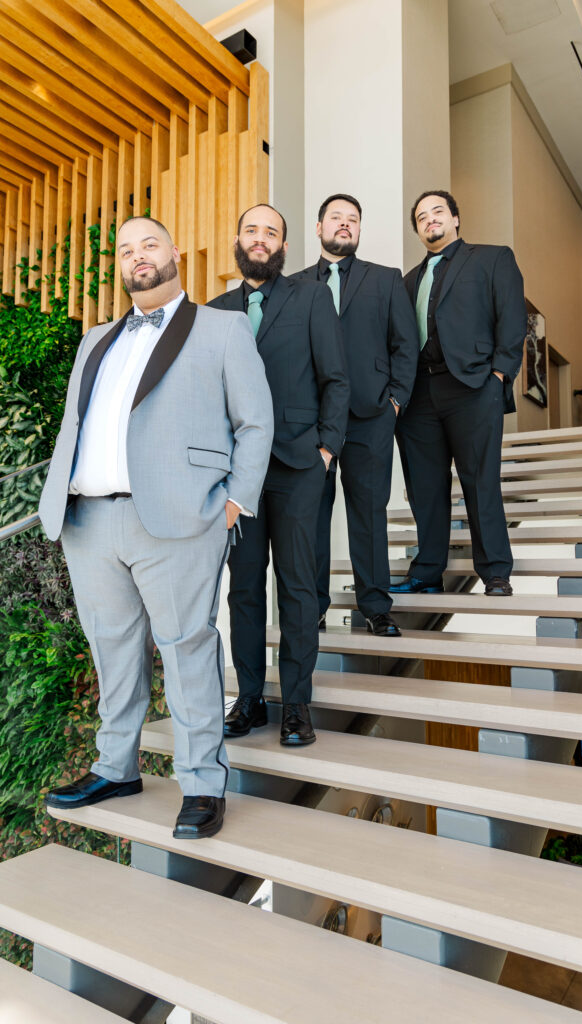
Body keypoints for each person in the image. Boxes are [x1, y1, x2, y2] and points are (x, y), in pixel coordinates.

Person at [40, 216, 273, 840]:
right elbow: (76, 425)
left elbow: (256, 422)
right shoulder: (94, 340)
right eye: (125, 249)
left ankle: (200, 781)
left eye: (149, 244)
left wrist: (233, 503)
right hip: (89, 519)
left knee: (187, 648)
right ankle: (115, 766)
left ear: (175, 252)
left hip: (179, 518)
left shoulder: (222, 330)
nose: (138, 256)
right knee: (112, 650)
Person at [208, 204, 349, 747]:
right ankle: (248, 699)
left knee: (295, 588)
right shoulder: (215, 312)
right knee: (242, 589)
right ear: (238, 240)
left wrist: (327, 448)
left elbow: (337, 378)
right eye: (252, 230)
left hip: (298, 465)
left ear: (284, 245)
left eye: (272, 232)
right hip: (235, 475)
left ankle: (296, 704)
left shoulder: (312, 297)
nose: (261, 239)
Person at [291, 194, 418, 636]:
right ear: (319, 226)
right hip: (309, 422)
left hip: (370, 417)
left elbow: (405, 344)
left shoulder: (386, 280)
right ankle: (315, 609)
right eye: (336, 218)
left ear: (359, 230)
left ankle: (375, 607)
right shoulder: (295, 285)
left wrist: (395, 401)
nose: (345, 225)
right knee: (311, 518)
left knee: (369, 513)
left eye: (353, 220)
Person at [394, 190, 526, 597]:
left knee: (479, 480)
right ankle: (427, 571)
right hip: (418, 394)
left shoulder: (492, 258)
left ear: (455, 218)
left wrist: (500, 375)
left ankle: (496, 572)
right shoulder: (405, 281)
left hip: (473, 387)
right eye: (421, 217)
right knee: (425, 488)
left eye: (438, 211)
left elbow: (512, 317)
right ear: (417, 230)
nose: (430, 219)